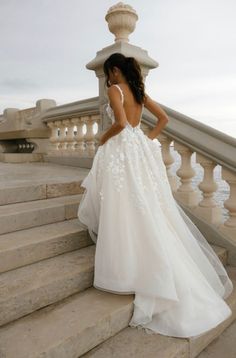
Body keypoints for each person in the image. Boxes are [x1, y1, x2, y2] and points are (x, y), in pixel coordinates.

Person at [77, 52, 233, 338]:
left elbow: (120, 124)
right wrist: (145, 139)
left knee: (122, 206)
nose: (108, 78)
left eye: (108, 72)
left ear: (113, 70)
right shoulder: (138, 91)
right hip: (138, 150)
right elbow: (163, 119)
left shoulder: (114, 89)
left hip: (121, 150)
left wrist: (102, 139)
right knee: (142, 206)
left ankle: (127, 268)